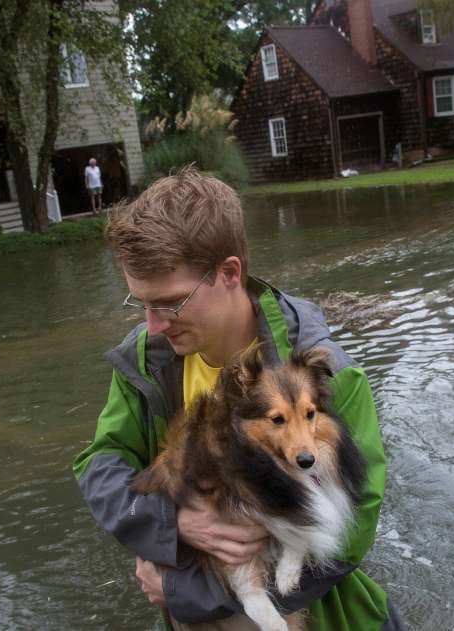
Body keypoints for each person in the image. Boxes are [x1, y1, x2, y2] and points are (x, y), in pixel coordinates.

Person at [72, 169, 405, 630]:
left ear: (229, 273)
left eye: (169, 302)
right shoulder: (145, 361)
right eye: (140, 304)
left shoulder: (327, 375)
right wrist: (171, 523)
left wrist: (185, 592)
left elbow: (351, 534)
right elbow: (101, 463)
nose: (152, 326)